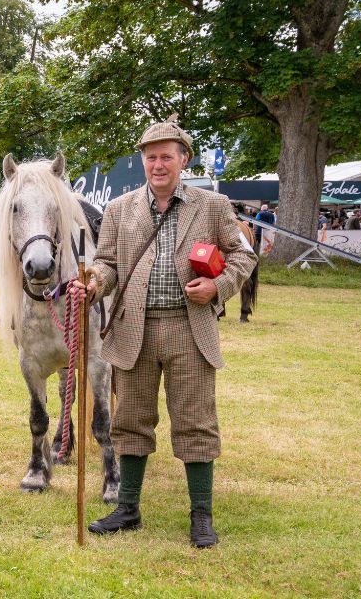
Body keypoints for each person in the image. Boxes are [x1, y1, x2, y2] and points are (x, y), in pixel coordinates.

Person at [75, 118, 256, 548]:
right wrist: (95, 281)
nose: (158, 164)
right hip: (133, 329)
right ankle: (128, 507)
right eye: (151, 157)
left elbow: (242, 257)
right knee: (130, 420)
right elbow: (108, 263)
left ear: (183, 159)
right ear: (143, 160)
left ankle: (201, 515)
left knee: (196, 423)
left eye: (166, 157)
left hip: (188, 330)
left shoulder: (212, 205)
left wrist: (218, 286)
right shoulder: (120, 209)